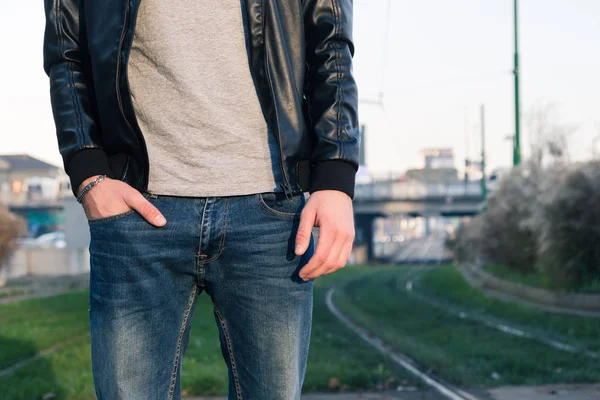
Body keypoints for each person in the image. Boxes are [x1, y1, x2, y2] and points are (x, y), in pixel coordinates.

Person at [43, 0, 359, 399]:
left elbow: (330, 42)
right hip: (137, 213)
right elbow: (64, 48)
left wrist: (335, 174)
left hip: (272, 215)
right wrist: (89, 173)